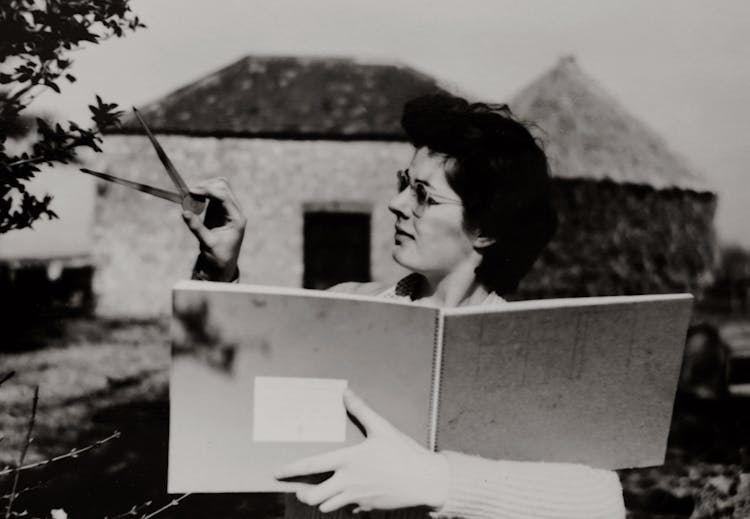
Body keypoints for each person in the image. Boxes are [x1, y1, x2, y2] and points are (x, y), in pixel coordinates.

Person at [181, 94, 626, 519]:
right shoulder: (342, 306)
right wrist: (220, 270)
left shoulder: (526, 351)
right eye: (403, 184)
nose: (396, 204)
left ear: (487, 230)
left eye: (424, 196)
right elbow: (234, 409)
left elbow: (601, 503)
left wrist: (437, 481)